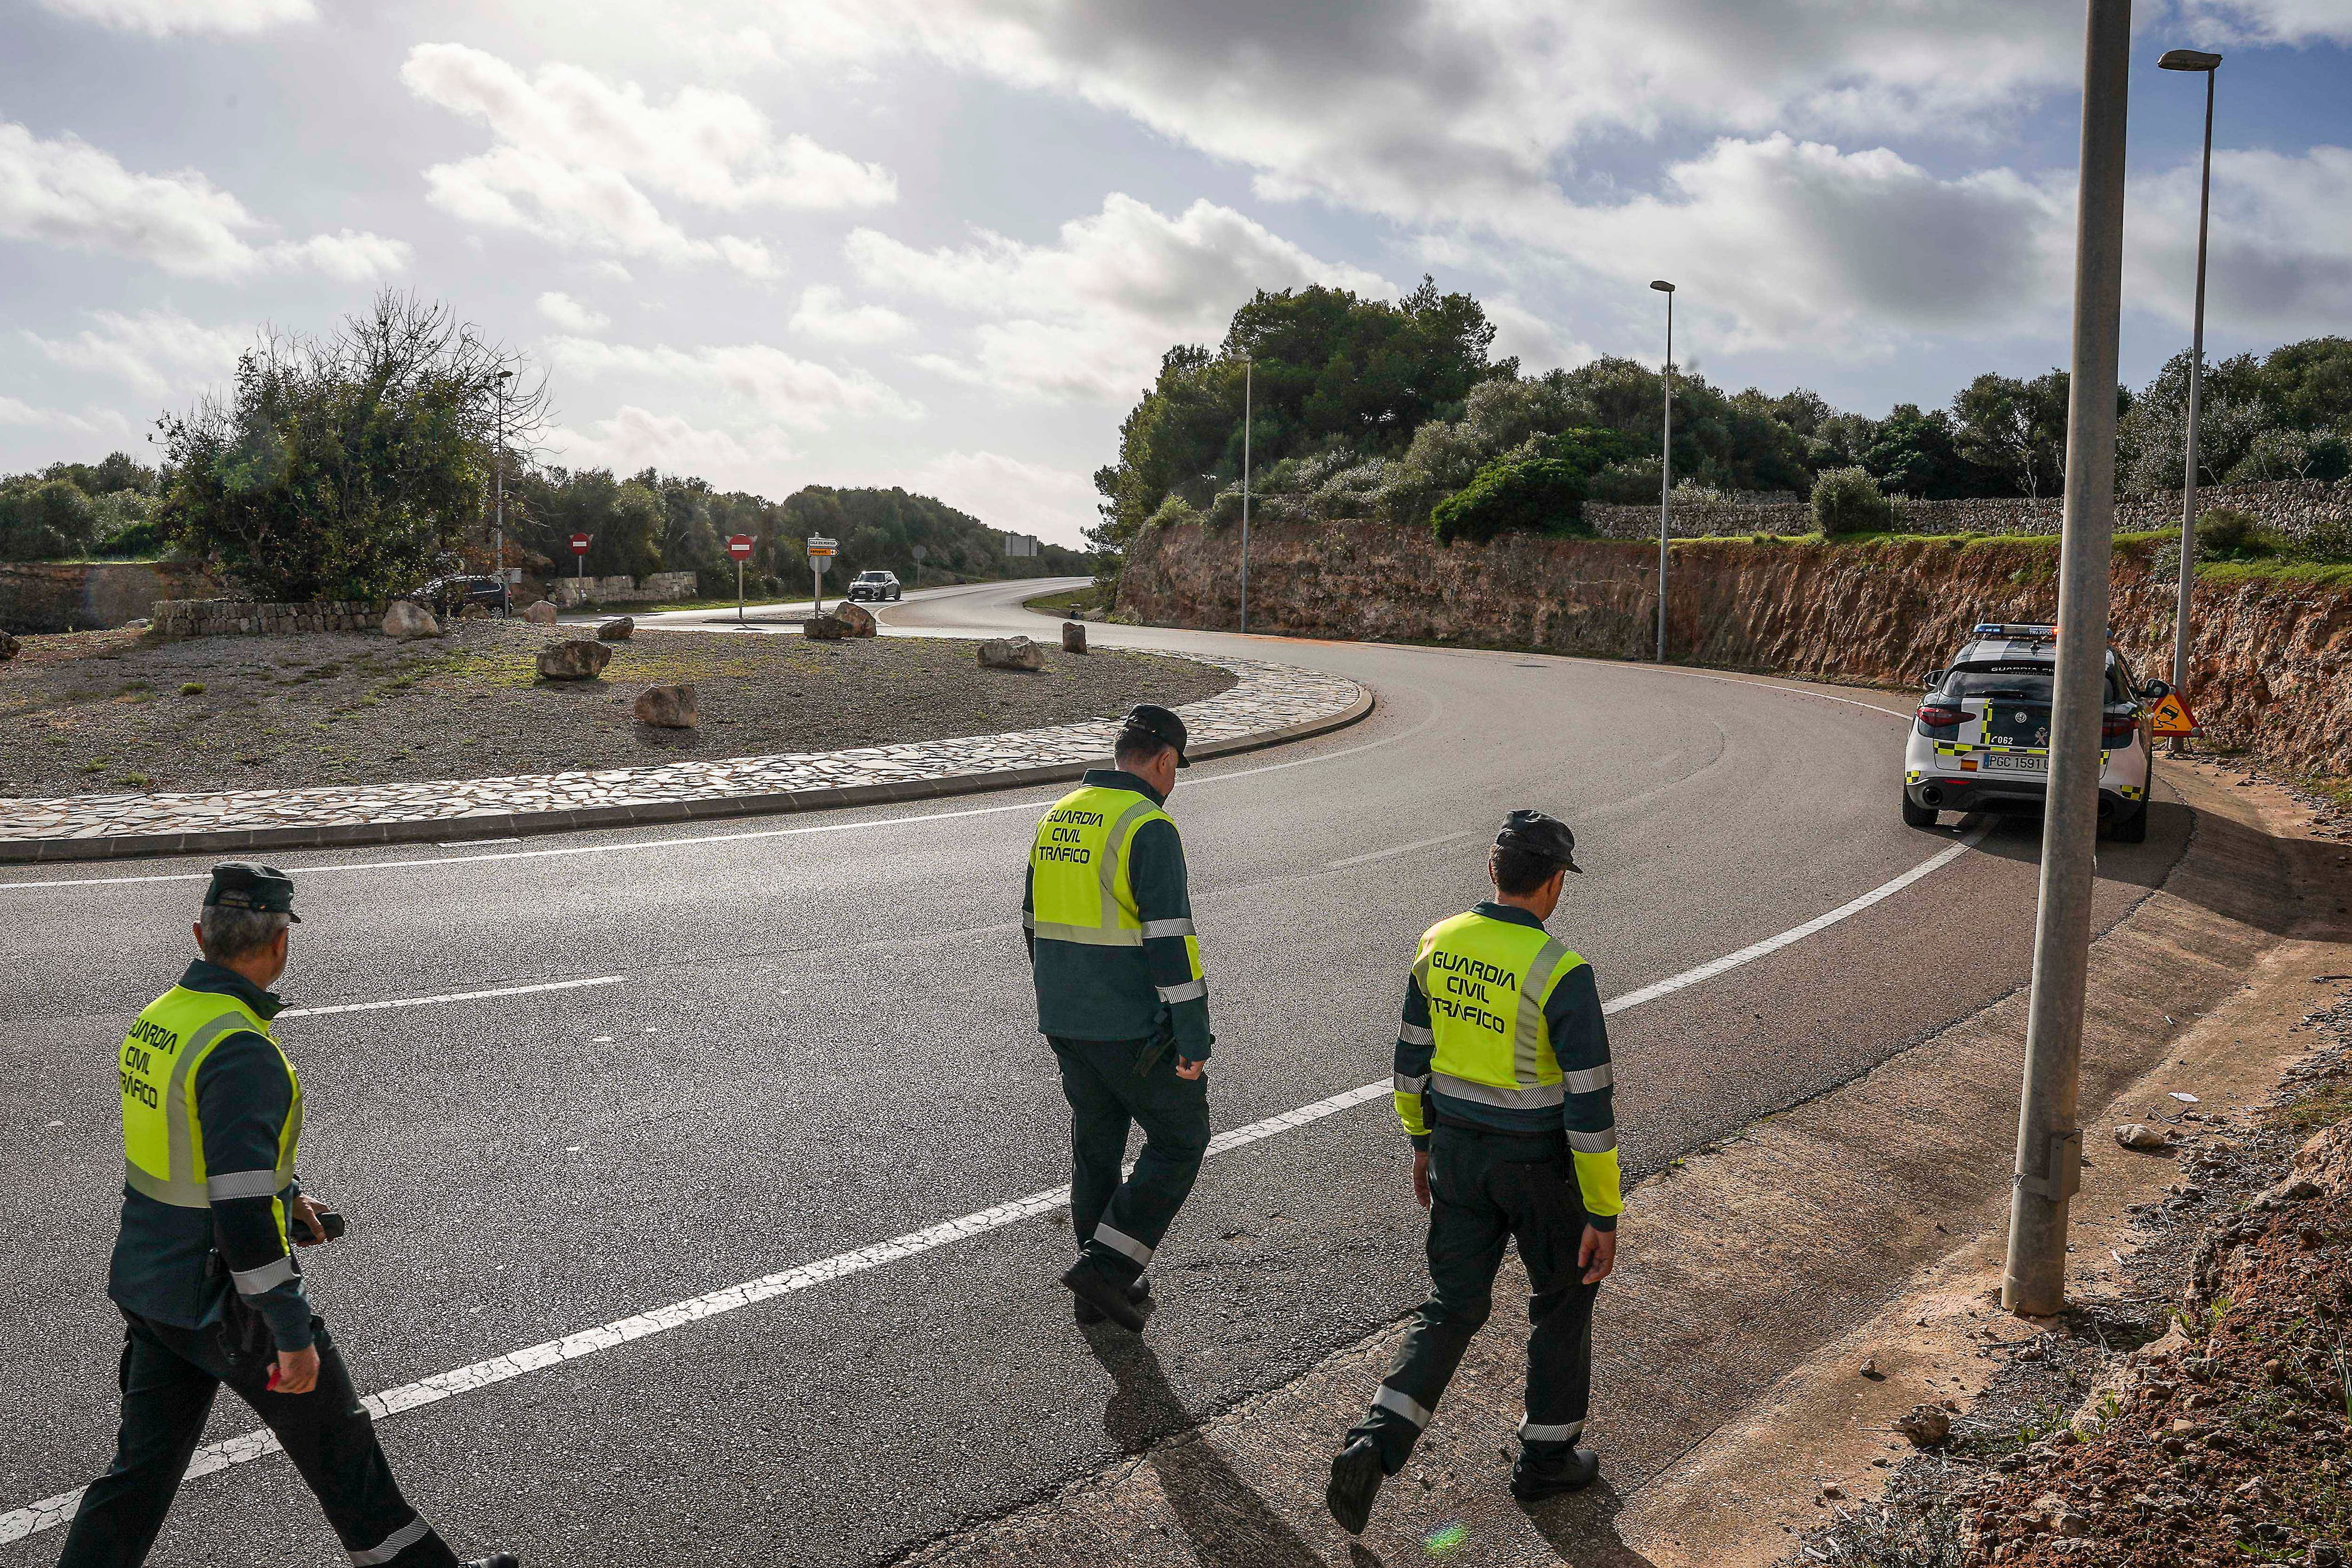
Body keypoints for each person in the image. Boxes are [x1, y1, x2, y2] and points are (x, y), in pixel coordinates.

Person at [61, 863, 516, 1568]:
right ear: (279, 946)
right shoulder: (241, 1047)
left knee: (136, 1483)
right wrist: (289, 1329)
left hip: (154, 1289)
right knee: (347, 1462)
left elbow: (194, 1147)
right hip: (233, 1308)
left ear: (199, 935)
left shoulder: (160, 1018)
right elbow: (240, 1212)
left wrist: (288, 1190)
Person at [1327, 811, 1623, 1534]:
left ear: (1493, 871)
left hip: (1457, 1153)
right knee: (1562, 1296)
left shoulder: (1439, 942)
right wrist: (1603, 1215)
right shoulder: (1563, 971)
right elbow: (1589, 1107)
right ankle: (1545, 1459)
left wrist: (1421, 1142)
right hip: (1538, 1167)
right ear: (1554, 885)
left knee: (1452, 1304)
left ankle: (1376, 1439)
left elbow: (1409, 1061)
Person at [1023, 704, 1212, 1331]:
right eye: (1175, 770)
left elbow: (1030, 922)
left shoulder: (1058, 815)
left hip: (1064, 1017)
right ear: (1164, 762)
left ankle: (1097, 1294)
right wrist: (1192, 1034)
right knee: (1181, 1139)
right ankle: (1105, 1268)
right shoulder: (1148, 826)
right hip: (1129, 1026)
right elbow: (1170, 942)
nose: (1173, 780)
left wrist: (1059, 997)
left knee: (1097, 1148)